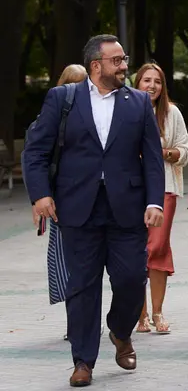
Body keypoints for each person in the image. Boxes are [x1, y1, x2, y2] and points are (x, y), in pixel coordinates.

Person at [22, 34, 165, 387]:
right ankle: (83, 360)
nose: (124, 65)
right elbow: (36, 150)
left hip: (127, 209)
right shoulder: (62, 99)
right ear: (96, 65)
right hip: (76, 208)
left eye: (124, 59)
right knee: (82, 288)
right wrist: (40, 195)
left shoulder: (138, 103)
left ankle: (120, 330)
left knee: (132, 279)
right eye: (117, 60)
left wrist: (154, 201)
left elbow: (151, 160)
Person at [134, 63, 188, 334]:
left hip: (165, 188)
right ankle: (140, 314)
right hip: (131, 190)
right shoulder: (127, 109)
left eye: (157, 81)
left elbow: (186, 150)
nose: (152, 86)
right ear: (137, 82)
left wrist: (163, 153)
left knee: (156, 248)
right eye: (146, 80)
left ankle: (157, 312)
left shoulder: (171, 113)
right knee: (134, 250)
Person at [46, 65, 91, 342]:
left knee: (81, 264)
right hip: (61, 201)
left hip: (86, 199)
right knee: (68, 264)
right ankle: (76, 322)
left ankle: (81, 322)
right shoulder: (53, 117)